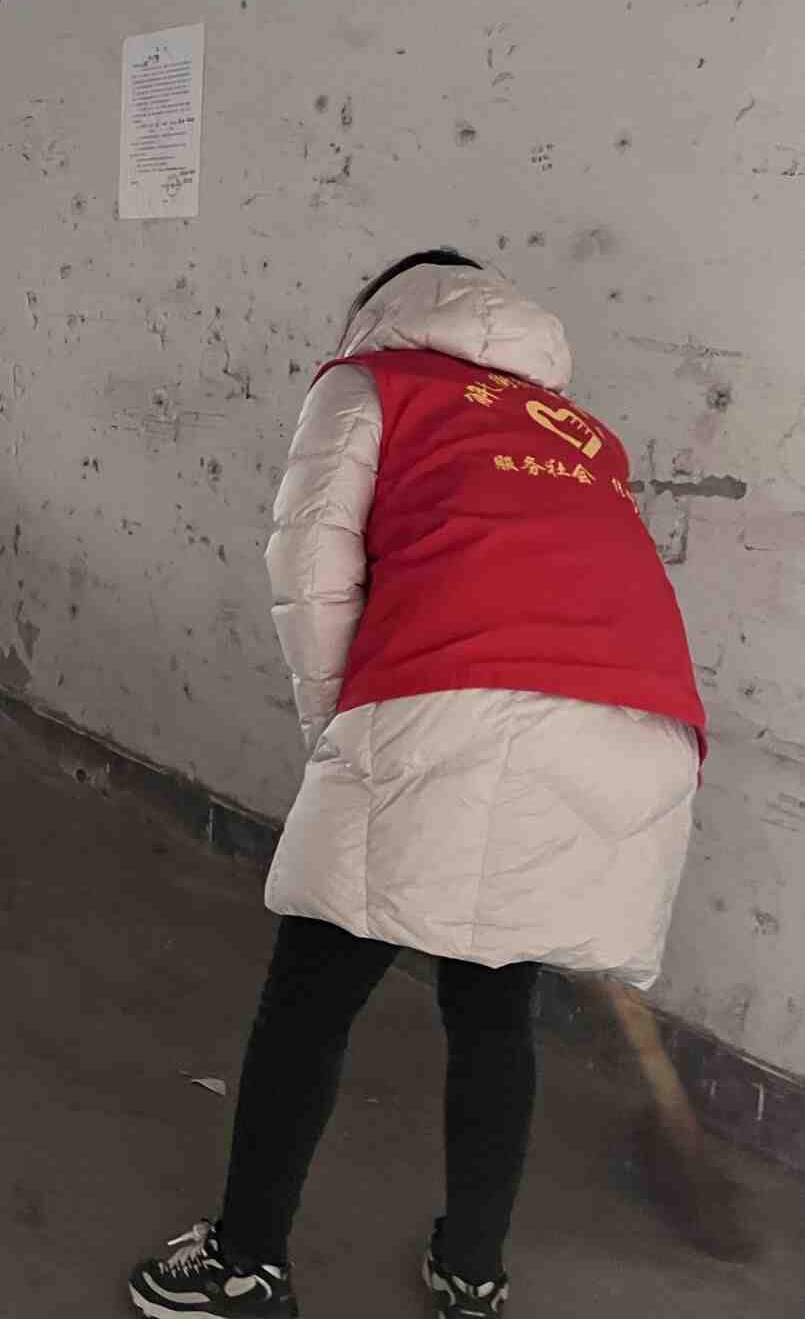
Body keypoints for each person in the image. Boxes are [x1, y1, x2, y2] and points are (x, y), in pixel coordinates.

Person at [127, 251, 705, 1319]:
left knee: (310, 998)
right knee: (492, 1001)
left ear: (384, 310)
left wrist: (340, 745)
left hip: (454, 701)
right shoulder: (576, 429)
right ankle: (471, 1273)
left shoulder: (370, 383)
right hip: (640, 727)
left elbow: (310, 568)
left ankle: (246, 1261)